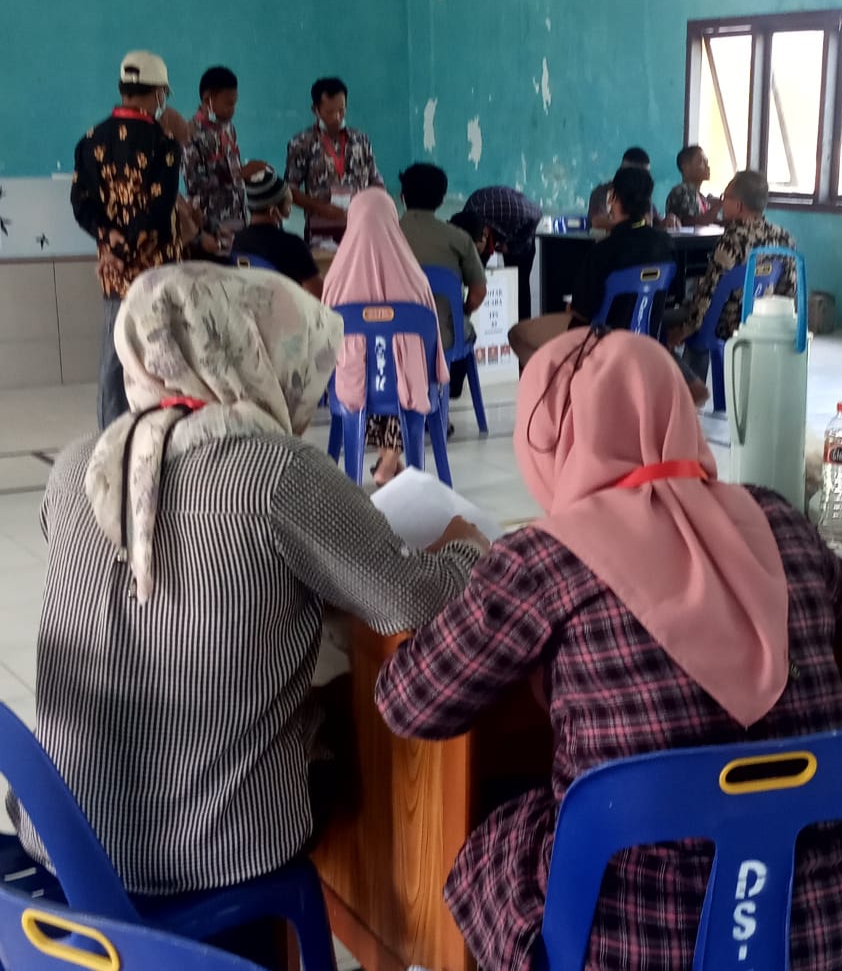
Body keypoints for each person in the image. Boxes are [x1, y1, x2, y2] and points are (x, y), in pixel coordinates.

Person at [378, 328, 842, 971]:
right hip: (816, 927)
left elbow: (410, 704)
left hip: (635, 940)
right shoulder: (776, 517)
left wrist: (470, 576)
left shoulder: (545, 559)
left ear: (552, 436)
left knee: (499, 834)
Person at [9, 262, 488, 903]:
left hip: (67, 841)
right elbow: (413, 597)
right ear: (247, 349)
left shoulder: (78, 466)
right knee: (363, 714)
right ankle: (380, 915)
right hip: (215, 849)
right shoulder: (273, 471)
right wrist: (467, 551)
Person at [71, 50, 183, 430]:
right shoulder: (164, 143)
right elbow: (157, 210)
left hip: (113, 271)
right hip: (155, 270)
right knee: (162, 355)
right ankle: (157, 437)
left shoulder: (89, 140)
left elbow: (81, 204)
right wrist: (128, 248)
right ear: (157, 94)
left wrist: (111, 246)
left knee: (114, 358)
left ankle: (111, 440)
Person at [323, 187, 449, 486]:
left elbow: (323, 342)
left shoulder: (335, 282)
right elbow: (432, 348)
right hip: (407, 389)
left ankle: (388, 463)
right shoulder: (415, 280)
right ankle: (391, 463)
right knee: (400, 370)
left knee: (372, 368)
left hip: (352, 390)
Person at [508, 166, 675, 366]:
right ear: (648, 202)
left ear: (612, 197)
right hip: (648, 338)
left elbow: (581, 311)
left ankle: (562, 389)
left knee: (518, 334)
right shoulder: (666, 244)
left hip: (598, 336)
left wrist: (572, 307)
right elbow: (669, 296)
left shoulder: (603, 250)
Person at [668, 170, 797, 382]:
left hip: (727, 324)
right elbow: (789, 289)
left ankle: (690, 389)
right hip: (763, 322)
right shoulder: (782, 236)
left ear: (738, 206)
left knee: (664, 321)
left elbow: (708, 296)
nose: (721, 202)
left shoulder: (731, 241)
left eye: (724, 198)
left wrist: (685, 329)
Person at [398, 163, 488, 351]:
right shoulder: (460, 239)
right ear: (441, 200)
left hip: (394, 337)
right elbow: (478, 293)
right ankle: (452, 381)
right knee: (462, 333)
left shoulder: (383, 237)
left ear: (402, 197)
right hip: (444, 338)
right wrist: (461, 312)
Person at [285, 77, 385, 244]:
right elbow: (290, 190)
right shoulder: (301, 143)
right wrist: (320, 208)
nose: (337, 117)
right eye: (330, 112)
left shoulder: (360, 140)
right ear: (315, 109)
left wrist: (371, 206)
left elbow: (376, 181)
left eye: (341, 110)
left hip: (359, 226)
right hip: (321, 229)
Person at [182, 66, 269, 257]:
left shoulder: (228, 129)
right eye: (228, 104)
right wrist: (236, 174)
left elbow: (233, 171)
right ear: (207, 100)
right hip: (210, 226)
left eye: (235, 103)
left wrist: (253, 175)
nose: (233, 110)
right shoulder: (189, 133)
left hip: (238, 220)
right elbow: (193, 184)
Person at [231, 168, 322, 297]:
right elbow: (319, 295)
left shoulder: (236, 241)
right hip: (287, 313)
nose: (291, 206)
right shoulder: (293, 245)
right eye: (288, 204)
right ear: (273, 211)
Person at [462, 186, 543, 321]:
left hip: (520, 232)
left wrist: (511, 247)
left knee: (520, 283)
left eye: (478, 249)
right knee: (476, 277)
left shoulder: (514, 211)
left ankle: (523, 327)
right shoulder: (465, 221)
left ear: (485, 235)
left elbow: (537, 214)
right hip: (493, 222)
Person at [587, 146, 676, 231]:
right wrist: (638, 225)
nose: (641, 180)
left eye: (645, 176)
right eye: (636, 175)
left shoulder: (644, 193)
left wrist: (668, 221)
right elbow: (597, 222)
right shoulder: (602, 193)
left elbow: (654, 221)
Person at [665, 145, 722, 226]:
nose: (707, 166)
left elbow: (711, 221)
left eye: (707, 162)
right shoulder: (682, 191)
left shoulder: (701, 197)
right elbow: (688, 223)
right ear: (685, 166)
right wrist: (716, 209)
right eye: (701, 162)